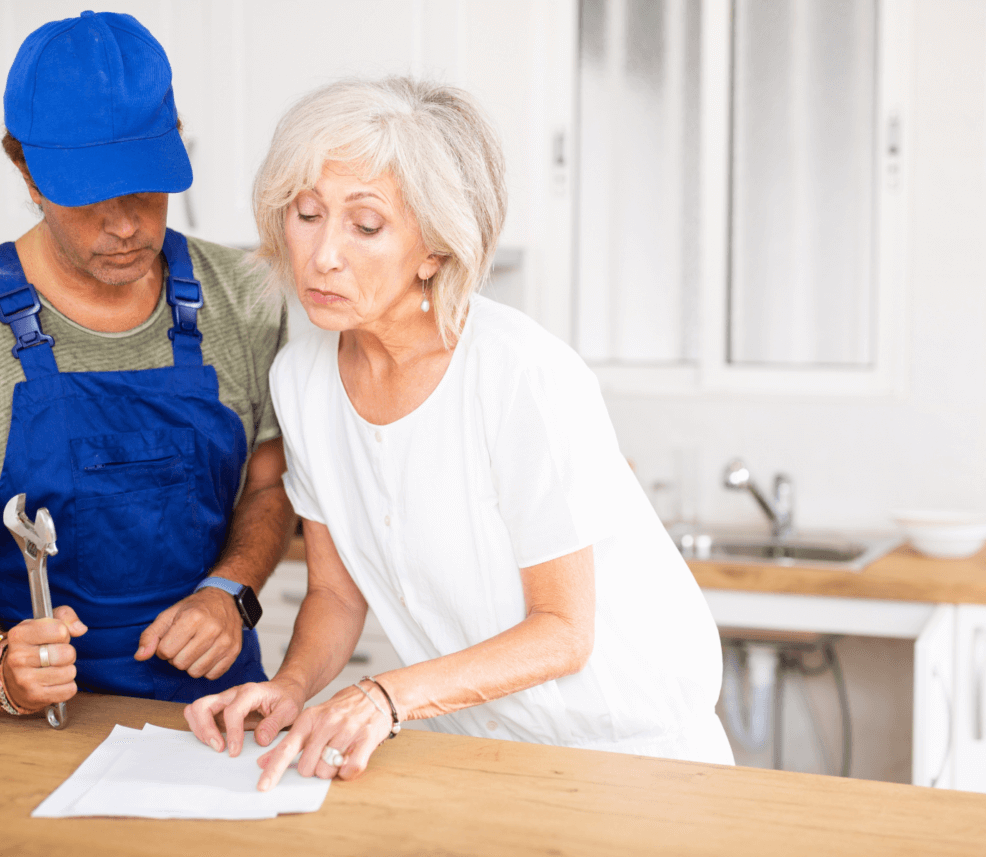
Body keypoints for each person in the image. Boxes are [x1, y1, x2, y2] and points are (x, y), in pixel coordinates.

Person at [185, 77, 733, 788]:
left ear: (435, 251)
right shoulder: (301, 379)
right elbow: (336, 595)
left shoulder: (520, 374)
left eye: (365, 225)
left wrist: (384, 697)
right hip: (480, 756)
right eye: (307, 214)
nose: (322, 254)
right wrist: (291, 687)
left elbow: (564, 631)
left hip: (635, 757)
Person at [0, 11, 293, 717]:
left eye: (147, 187)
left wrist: (232, 593)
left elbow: (271, 485)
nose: (125, 225)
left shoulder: (246, 297)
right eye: (90, 196)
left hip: (217, 719)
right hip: (28, 733)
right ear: (26, 171)